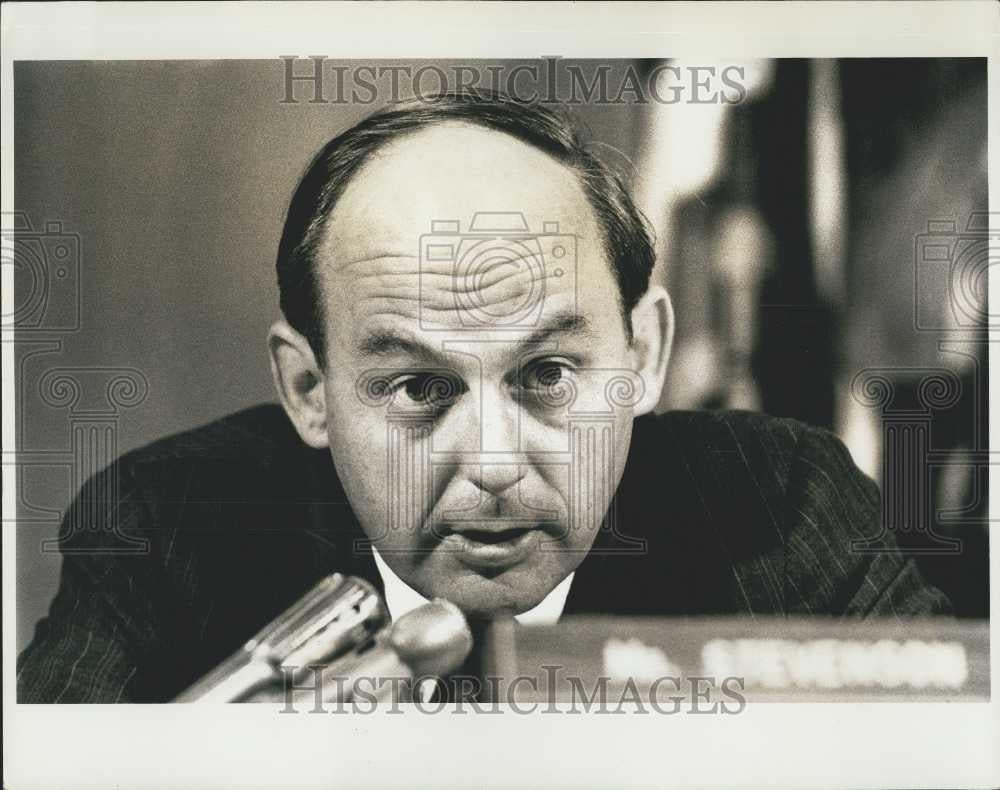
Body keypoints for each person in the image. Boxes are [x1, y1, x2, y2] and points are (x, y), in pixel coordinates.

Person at [17, 91, 949, 703]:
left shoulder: (780, 508)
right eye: (420, 388)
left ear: (645, 353)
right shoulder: (168, 528)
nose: (497, 465)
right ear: (310, 389)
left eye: (547, 376)